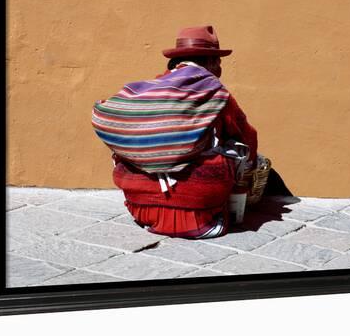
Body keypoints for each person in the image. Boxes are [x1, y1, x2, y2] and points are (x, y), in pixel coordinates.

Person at [99, 26, 258, 239]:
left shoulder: (150, 91)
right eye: (218, 62)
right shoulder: (216, 93)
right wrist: (251, 165)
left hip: (141, 209)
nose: (220, 68)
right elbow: (246, 137)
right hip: (198, 215)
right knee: (235, 151)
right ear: (209, 62)